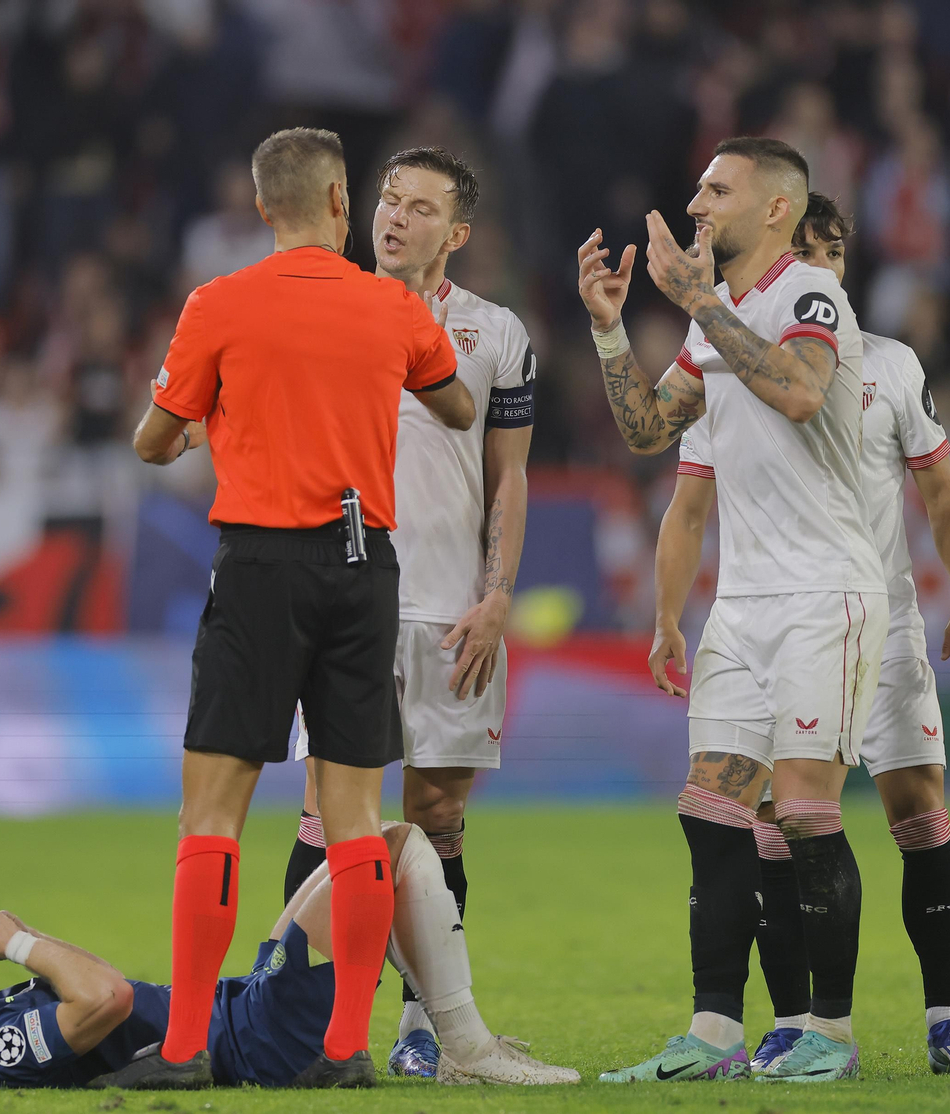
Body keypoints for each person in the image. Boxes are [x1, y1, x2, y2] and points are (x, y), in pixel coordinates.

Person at [125, 127, 476, 1090]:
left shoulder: (219, 305)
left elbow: (153, 442)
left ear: (261, 208)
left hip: (258, 567)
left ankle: (189, 1047)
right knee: (356, 817)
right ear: (337, 204)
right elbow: (454, 407)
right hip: (365, 568)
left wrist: (219, 420)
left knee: (214, 812)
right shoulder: (390, 306)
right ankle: (343, 1049)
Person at [663, 192, 950, 1076]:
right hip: (785, 614)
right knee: (778, 820)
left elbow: (941, 494)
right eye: (814, 246)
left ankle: (946, 1019)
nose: (827, 262)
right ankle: (796, 1022)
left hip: (873, 622)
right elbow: (688, 497)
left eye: (838, 248)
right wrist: (667, 615)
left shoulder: (889, 365)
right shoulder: (737, 354)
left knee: (918, 807)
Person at [578, 137, 882, 1084]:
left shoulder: (810, 296)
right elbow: (645, 430)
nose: (699, 202)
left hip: (825, 590)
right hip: (742, 599)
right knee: (711, 810)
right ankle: (714, 1036)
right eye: (699, 186)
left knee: (801, 811)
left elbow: (797, 390)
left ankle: (829, 1030)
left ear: (780, 209)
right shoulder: (714, 322)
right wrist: (609, 329)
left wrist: (703, 301)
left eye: (719, 188)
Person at [281, 146, 537, 1080]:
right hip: (345, 600)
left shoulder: (498, 334)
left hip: (451, 611)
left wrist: (498, 593)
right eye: (387, 200)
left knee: (436, 817)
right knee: (330, 814)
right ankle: (306, 1021)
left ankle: (426, 1026)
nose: (394, 217)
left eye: (420, 208)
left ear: (457, 233)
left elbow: (509, 477)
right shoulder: (324, 304)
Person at [0, 824, 579, 1090]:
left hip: (239, 1009)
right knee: (389, 850)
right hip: (254, 1037)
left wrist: (26, 944)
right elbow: (108, 999)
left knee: (373, 853)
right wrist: (20, 943)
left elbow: (97, 990)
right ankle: (466, 1043)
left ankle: (448, 1036)